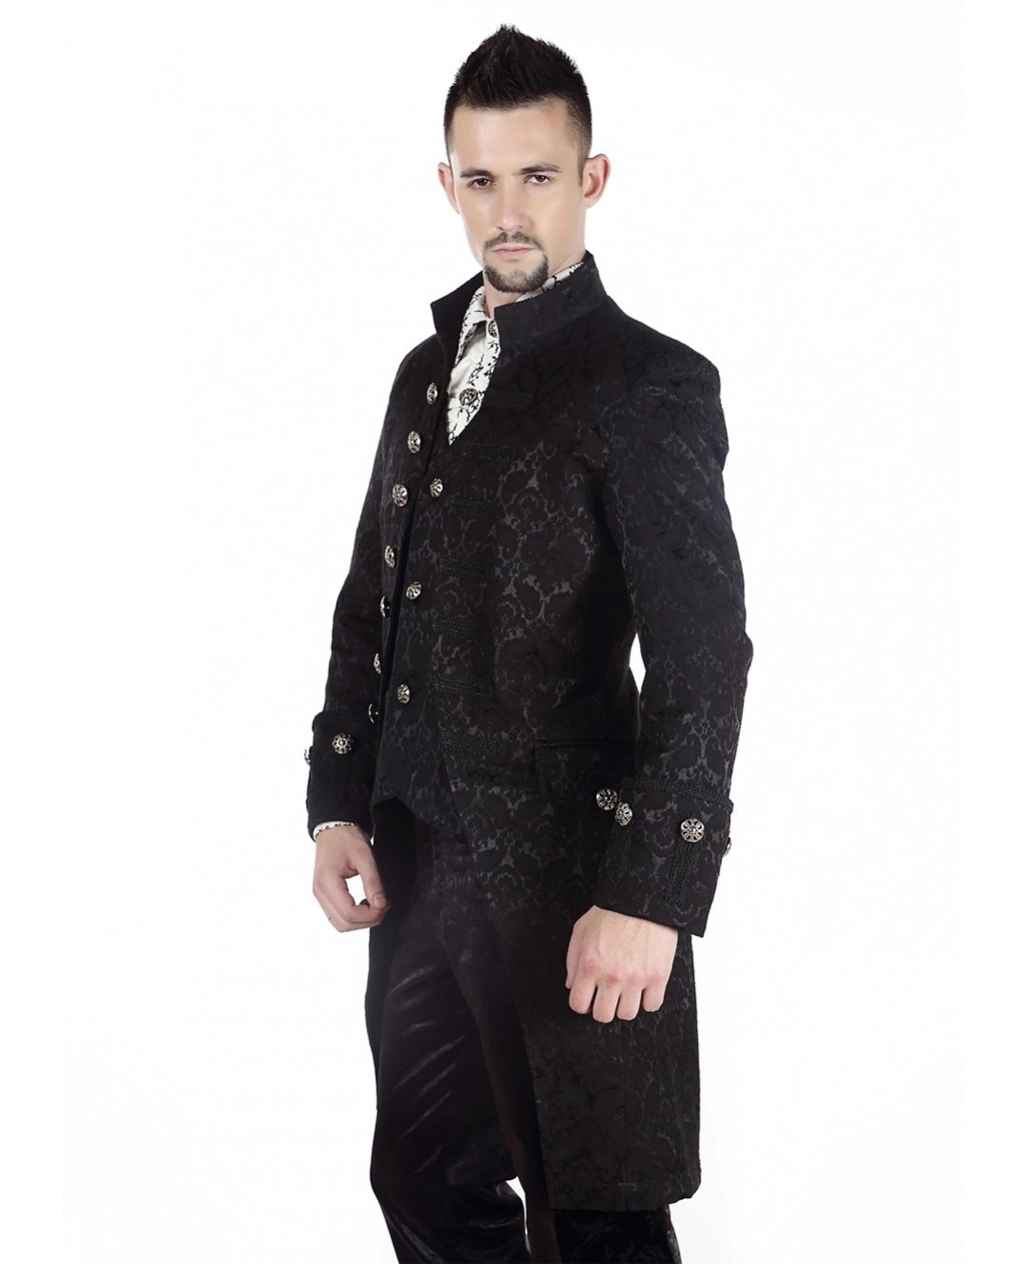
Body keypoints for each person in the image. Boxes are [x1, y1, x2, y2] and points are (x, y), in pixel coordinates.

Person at [305, 24, 754, 1264]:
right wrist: (335, 798)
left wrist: (651, 893)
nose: (508, 212)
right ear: (447, 184)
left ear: (590, 178)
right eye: (482, 179)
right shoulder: (421, 375)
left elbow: (705, 654)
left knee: (596, 1208)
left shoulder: (647, 382)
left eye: (538, 176)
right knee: (422, 1177)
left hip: (571, 878)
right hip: (413, 855)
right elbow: (369, 602)